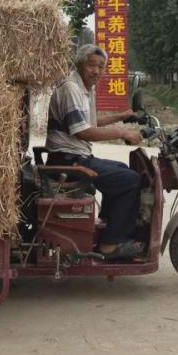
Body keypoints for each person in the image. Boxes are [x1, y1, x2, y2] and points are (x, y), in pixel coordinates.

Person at [45, 44, 144, 259]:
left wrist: (121, 116)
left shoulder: (84, 88)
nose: (97, 71)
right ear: (80, 65)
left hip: (75, 157)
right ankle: (110, 244)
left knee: (121, 168)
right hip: (68, 161)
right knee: (131, 180)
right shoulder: (71, 88)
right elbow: (83, 132)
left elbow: (89, 121)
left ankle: (109, 224)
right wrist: (121, 132)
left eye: (101, 66)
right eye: (92, 65)